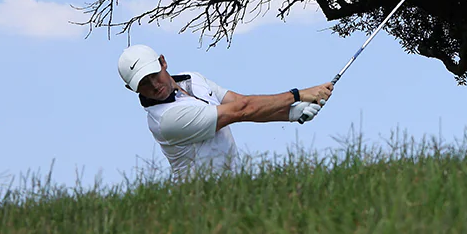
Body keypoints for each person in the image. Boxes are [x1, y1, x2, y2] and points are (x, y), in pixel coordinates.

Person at [116, 44, 333, 179]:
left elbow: (237, 102)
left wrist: (290, 113)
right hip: (198, 198)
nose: (154, 85)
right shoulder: (166, 120)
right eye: (144, 84)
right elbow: (242, 110)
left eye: (154, 75)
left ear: (163, 62)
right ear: (131, 89)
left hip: (233, 185)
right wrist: (298, 94)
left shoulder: (193, 78)